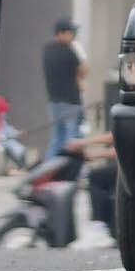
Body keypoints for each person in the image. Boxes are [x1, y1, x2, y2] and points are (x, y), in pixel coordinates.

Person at [41, 16, 86, 162]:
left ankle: (49, 168)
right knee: (71, 138)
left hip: (53, 101)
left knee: (56, 138)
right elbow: (83, 71)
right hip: (70, 100)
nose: (73, 36)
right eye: (70, 32)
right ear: (61, 33)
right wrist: (79, 53)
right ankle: (69, 168)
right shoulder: (69, 50)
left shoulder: (47, 49)